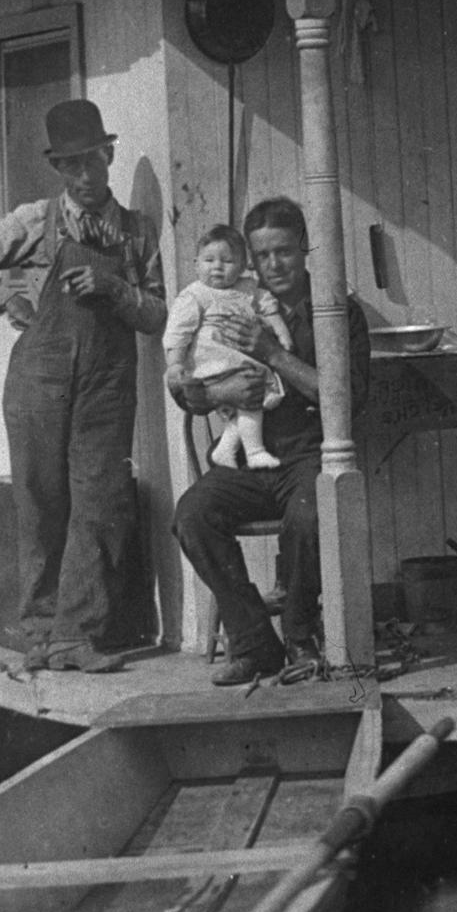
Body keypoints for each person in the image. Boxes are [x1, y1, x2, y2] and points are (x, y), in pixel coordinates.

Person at [0, 99, 166, 672]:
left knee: (97, 502)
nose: (85, 176)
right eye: (71, 166)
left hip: (108, 383)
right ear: (58, 168)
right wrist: (8, 298)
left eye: (92, 161)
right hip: (38, 378)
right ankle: (41, 632)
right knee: (41, 503)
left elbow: (159, 316)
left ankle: (76, 636)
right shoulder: (34, 222)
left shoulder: (138, 232)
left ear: (108, 155)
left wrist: (116, 290)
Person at [171, 197, 370, 685]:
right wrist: (215, 389)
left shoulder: (338, 311)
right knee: (192, 516)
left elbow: (348, 399)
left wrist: (273, 354)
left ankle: (301, 633)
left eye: (283, 251)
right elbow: (189, 393)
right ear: (248, 258)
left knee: (310, 513)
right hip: (246, 455)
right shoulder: (232, 304)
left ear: (305, 249)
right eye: (261, 256)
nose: (273, 265)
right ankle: (256, 643)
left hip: (309, 454)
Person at [162, 225, 290, 470]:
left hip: (238, 358)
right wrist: (176, 363)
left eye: (228, 261)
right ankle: (255, 452)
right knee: (251, 392)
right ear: (196, 264)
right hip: (212, 359)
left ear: (243, 266)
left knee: (247, 398)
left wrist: (281, 331)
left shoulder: (248, 289)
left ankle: (226, 449)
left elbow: (268, 306)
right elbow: (178, 333)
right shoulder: (195, 295)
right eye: (209, 260)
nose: (217, 267)